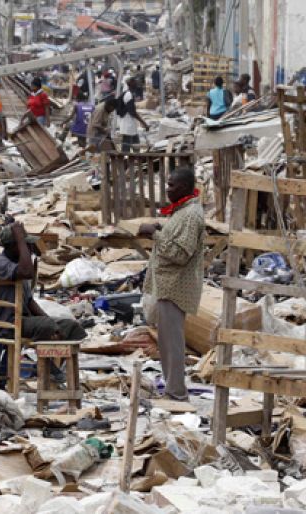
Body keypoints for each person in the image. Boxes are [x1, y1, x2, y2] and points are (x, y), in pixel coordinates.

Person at [0, 222, 87, 384]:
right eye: (25, 245)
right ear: (14, 246)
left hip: (23, 321)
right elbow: (27, 272)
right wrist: (20, 238)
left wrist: (54, 324)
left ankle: (59, 370)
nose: (30, 249)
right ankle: (48, 365)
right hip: (5, 323)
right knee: (46, 326)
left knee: (72, 327)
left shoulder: (19, 266)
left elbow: (30, 302)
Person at [139, 167, 205, 401]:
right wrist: (160, 229)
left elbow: (180, 254)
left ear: (186, 188)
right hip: (167, 286)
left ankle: (176, 393)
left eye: (172, 185)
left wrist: (154, 235)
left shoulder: (190, 215)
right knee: (167, 342)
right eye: (167, 185)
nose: (168, 190)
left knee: (173, 343)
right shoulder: (181, 212)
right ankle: (172, 389)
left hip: (176, 287)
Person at [117, 77, 149, 152]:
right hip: (128, 123)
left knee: (135, 143)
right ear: (131, 83)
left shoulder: (129, 93)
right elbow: (132, 112)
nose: (136, 83)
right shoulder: (128, 95)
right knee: (126, 145)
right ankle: (126, 159)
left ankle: (136, 159)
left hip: (130, 123)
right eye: (135, 82)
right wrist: (144, 123)